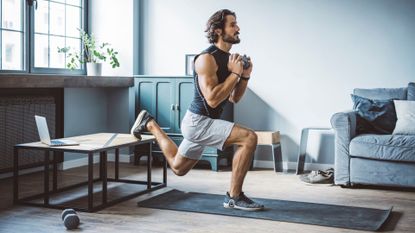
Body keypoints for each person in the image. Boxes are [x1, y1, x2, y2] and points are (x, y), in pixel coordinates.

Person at [131, 9, 264, 211]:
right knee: (249, 138)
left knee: (178, 167)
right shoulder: (206, 58)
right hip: (199, 122)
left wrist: (244, 75)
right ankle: (234, 197)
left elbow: (234, 98)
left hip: (200, 123)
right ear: (218, 30)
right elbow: (211, 99)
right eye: (233, 24)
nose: (238, 28)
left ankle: (149, 123)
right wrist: (235, 74)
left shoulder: (228, 59)